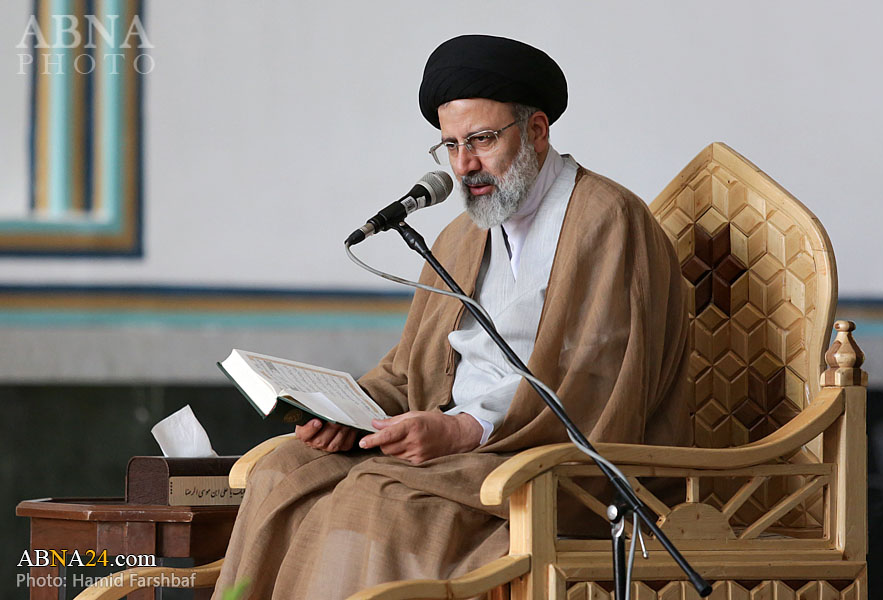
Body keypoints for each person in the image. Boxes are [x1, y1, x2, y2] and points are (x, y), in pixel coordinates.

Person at [213, 34, 691, 600]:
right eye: (451, 145)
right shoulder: (461, 236)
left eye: (482, 139)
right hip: (451, 447)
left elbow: (599, 383)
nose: (465, 165)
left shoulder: (606, 220)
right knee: (283, 470)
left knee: (378, 496)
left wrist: (463, 429)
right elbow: (410, 371)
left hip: (547, 460)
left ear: (537, 130)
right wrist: (350, 415)